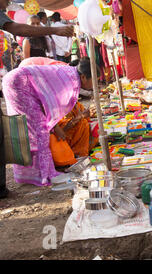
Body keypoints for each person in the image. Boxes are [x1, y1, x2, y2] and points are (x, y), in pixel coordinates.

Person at [0, 0, 73, 198]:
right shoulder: (26, 38)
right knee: (34, 129)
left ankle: (5, 186)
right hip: (23, 84)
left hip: (31, 84)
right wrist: (56, 31)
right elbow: (18, 31)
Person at [2, 56, 96, 187]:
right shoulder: (70, 78)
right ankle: (47, 174)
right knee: (40, 130)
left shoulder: (70, 75)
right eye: (94, 80)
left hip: (16, 81)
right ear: (84, 77)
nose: (95, 84)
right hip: (18, 83)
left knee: (33, 129)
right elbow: (49, 104)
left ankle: (34, 173)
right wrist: (55, 127)